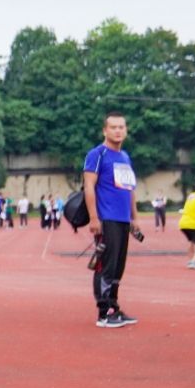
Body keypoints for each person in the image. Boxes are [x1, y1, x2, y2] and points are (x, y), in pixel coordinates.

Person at [82, 112, 142, 327]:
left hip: (123, 219)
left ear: (126, 130)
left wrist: (134, 217)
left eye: (121, 127)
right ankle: (103, 313)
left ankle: (113, 307)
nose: (118, 131)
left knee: (118, 267)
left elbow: (130, 189)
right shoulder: (97, 154)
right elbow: (89, 186)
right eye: (113, 127)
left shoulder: (125, 157)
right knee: (105, 266)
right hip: (106, 218)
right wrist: (94, 218)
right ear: (104, 131)